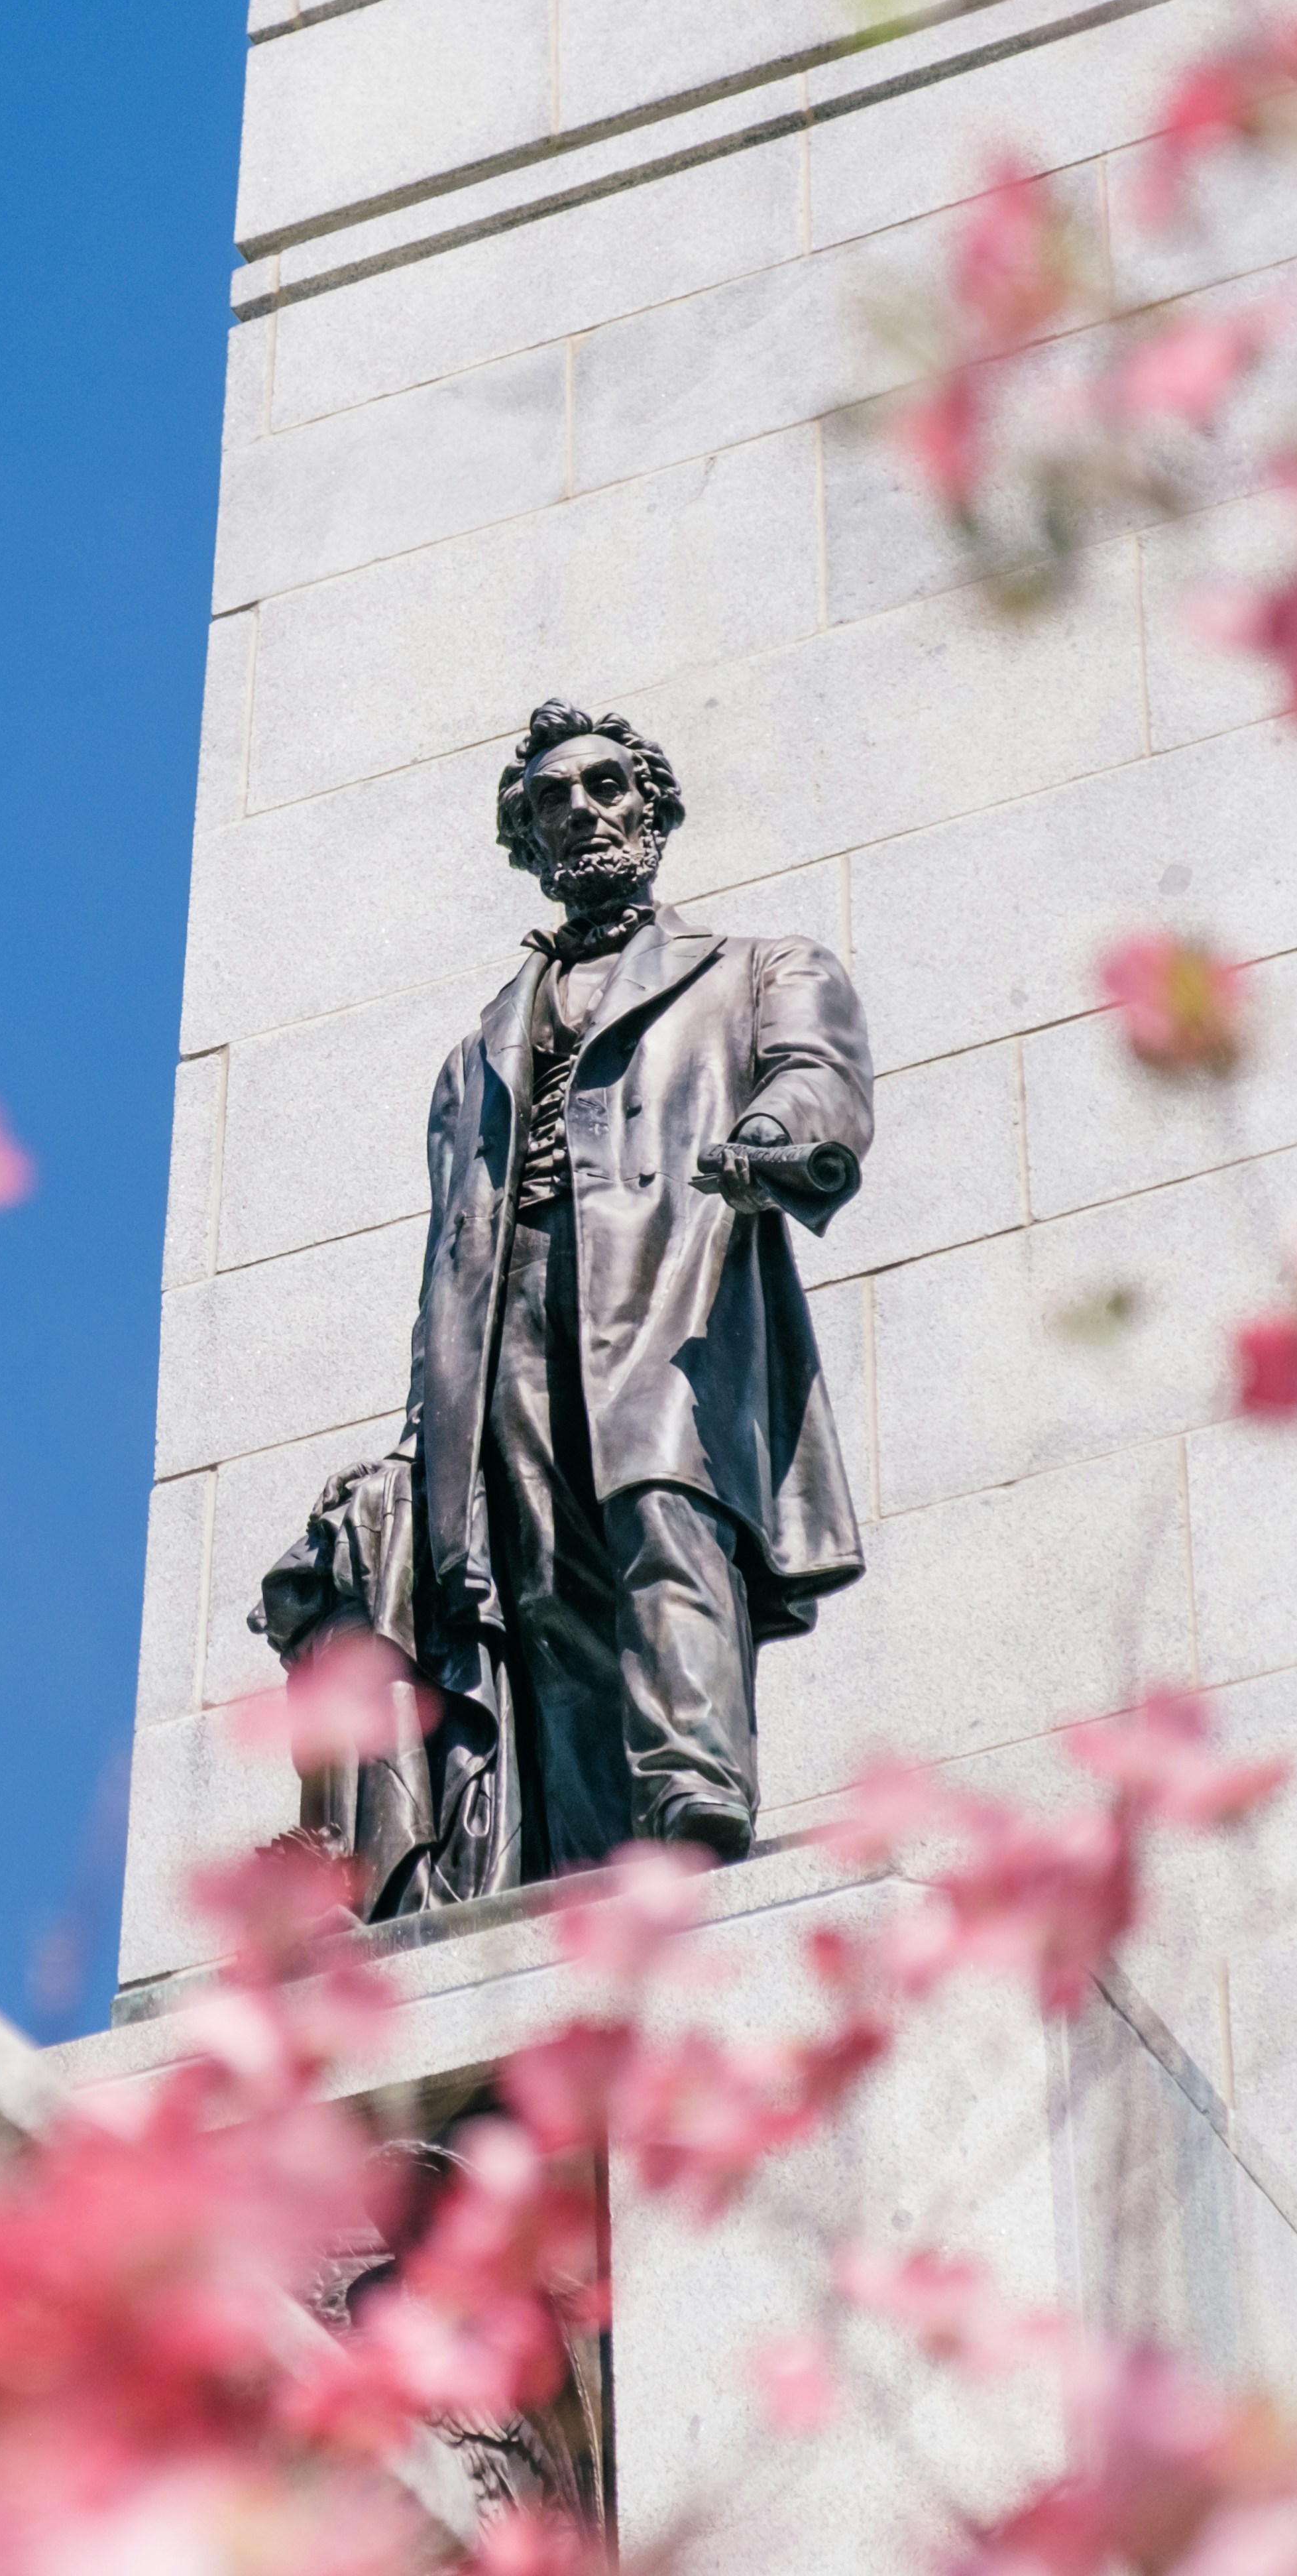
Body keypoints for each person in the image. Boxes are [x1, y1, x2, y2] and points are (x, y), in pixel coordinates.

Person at [274, 697, 872, 1912]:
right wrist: (418, 1435)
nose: (581, 812)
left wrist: (771, 1140)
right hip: (512, 1319)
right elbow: (452, 1251)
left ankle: (696, 1785)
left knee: (667, 1507)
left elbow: (818, 1076)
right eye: (552, 800)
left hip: (672, 1279)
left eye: (605, 788)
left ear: (652, 812)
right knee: (538, 1578)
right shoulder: (477, 1049)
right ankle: (598, 1849)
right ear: (529, 843)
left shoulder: (758, 968)